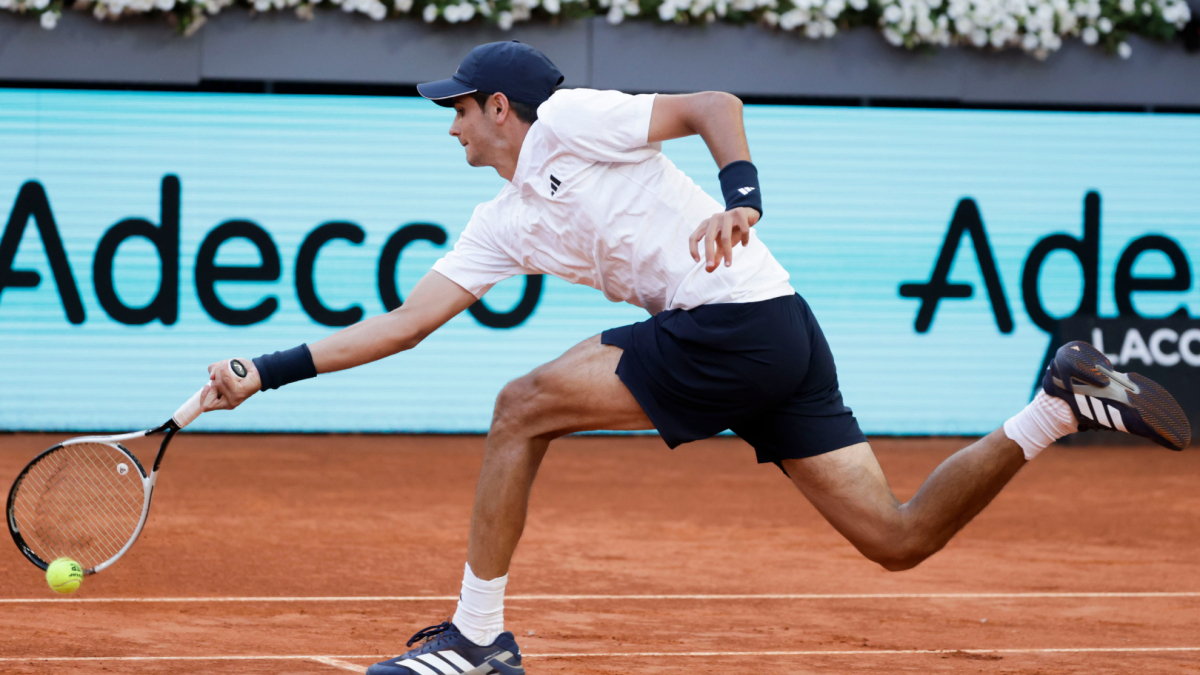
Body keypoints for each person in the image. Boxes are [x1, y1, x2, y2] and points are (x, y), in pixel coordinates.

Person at [199, 41, 1191, 675]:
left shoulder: (570, 120)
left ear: (500, 108)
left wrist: (743, 197)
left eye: (457, 106)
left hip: (737, 320)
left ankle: (476, 636)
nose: (450, 123)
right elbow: (406, 322)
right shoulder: (497, 225)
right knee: (896, 538)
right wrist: (267, 369)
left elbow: (714, 101)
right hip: (772, 329)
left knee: (519, 404)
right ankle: (1056, 406)